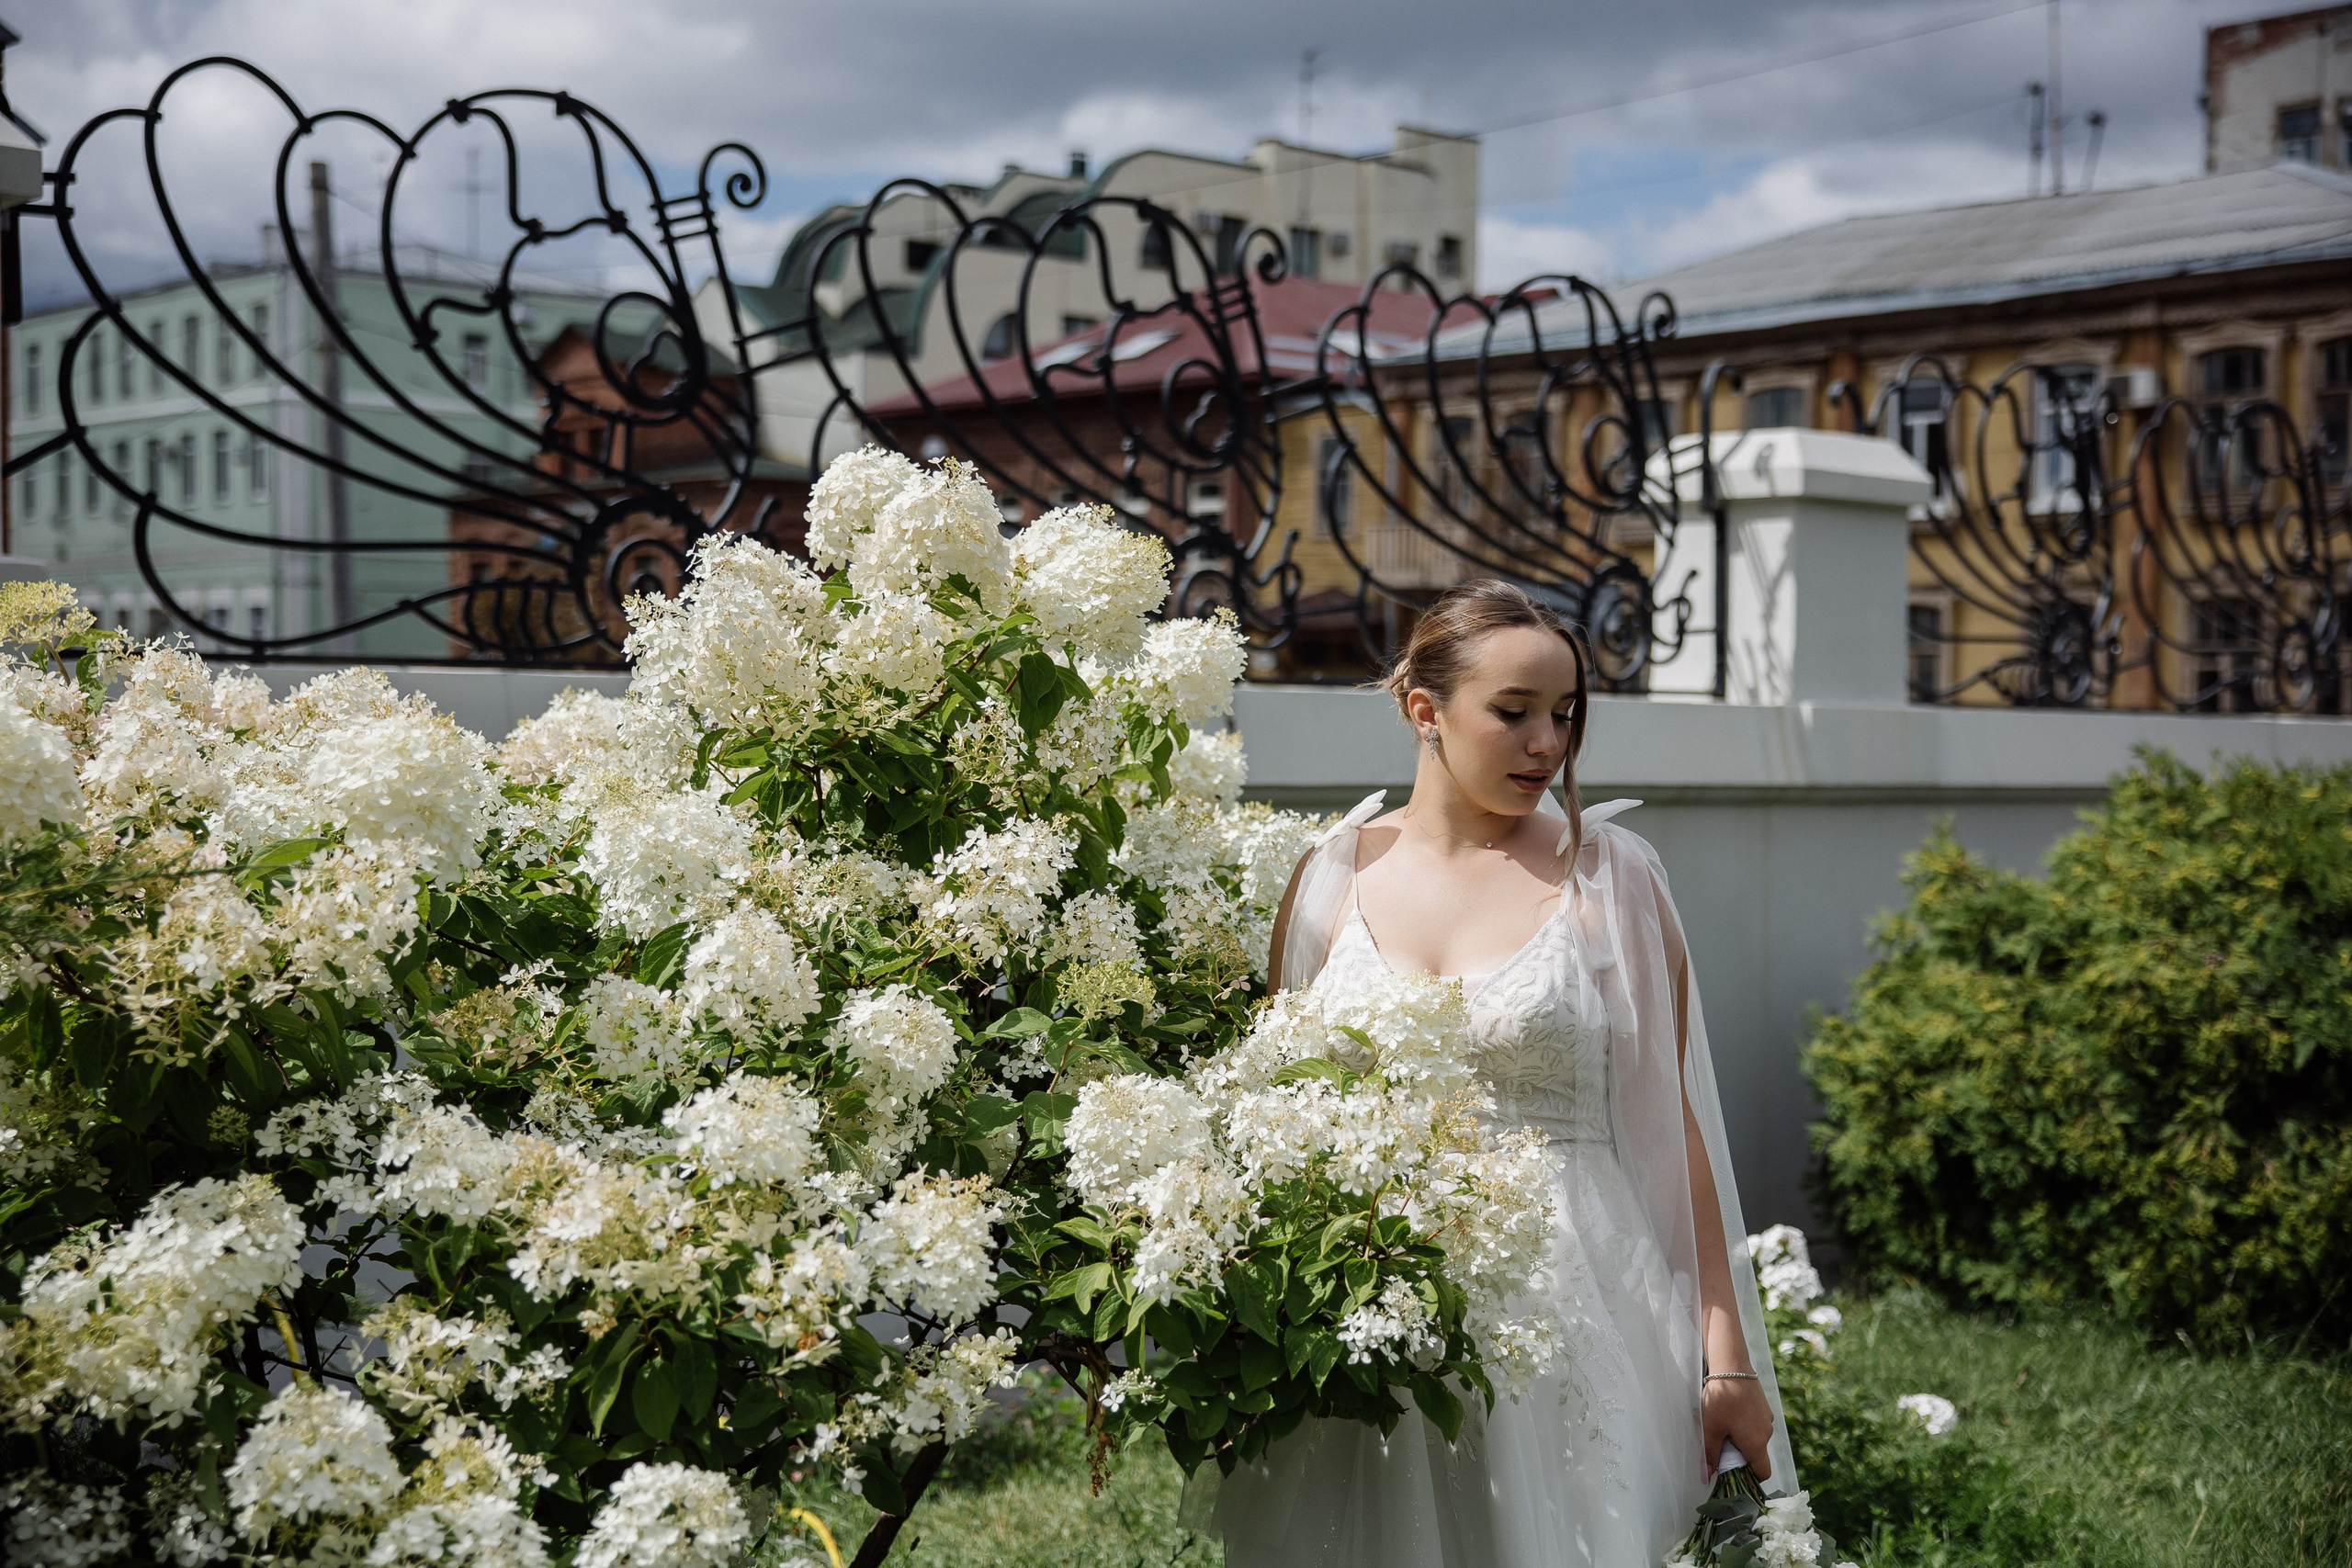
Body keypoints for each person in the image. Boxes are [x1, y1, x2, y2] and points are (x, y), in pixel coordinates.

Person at [1204, 580, 1792, 1567]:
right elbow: (1273, 1106)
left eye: (1565, 713)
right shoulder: (1328, 876)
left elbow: (1671, 1125)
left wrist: (1723, 1356)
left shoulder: (1611, 877)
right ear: (1423, 710)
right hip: (1370, 1301)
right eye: (1513, 712)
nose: (1547, 743)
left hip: (1569, 1303)